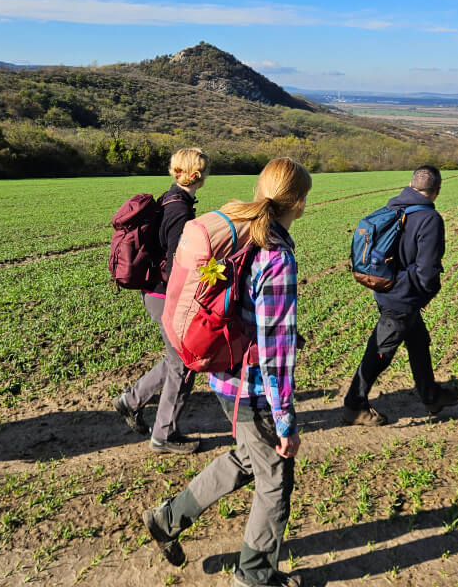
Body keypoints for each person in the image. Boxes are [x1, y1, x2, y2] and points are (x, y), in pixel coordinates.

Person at [142, 157, 311, 587]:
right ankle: (254, 577)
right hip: (252, 389)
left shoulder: (238, 228)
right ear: (301, 202)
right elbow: (276, 350)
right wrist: (286, 419)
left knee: (247, 460)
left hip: (223, 377)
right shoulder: (276, 254)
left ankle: (167, 518)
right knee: (274, 479)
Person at [342, 165, 458, 426]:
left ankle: (431, 396)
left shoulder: (394, 208)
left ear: (411, 186)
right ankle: (354, 405)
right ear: (437, 191)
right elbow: (427, 271)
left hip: (386, 291)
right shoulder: (430, 219)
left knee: (418, 341)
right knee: (379, 352)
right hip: (402, 300)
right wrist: (423, 293)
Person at [114, 148, 209, 455]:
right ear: (195, 175)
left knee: (175, 358)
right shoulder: (179, 210)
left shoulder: (170, 199)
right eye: (206, 171)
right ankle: (164, 434)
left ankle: (131, 400)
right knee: (184, 362)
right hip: (166, 295)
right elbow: (175, 261)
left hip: (156, 292)